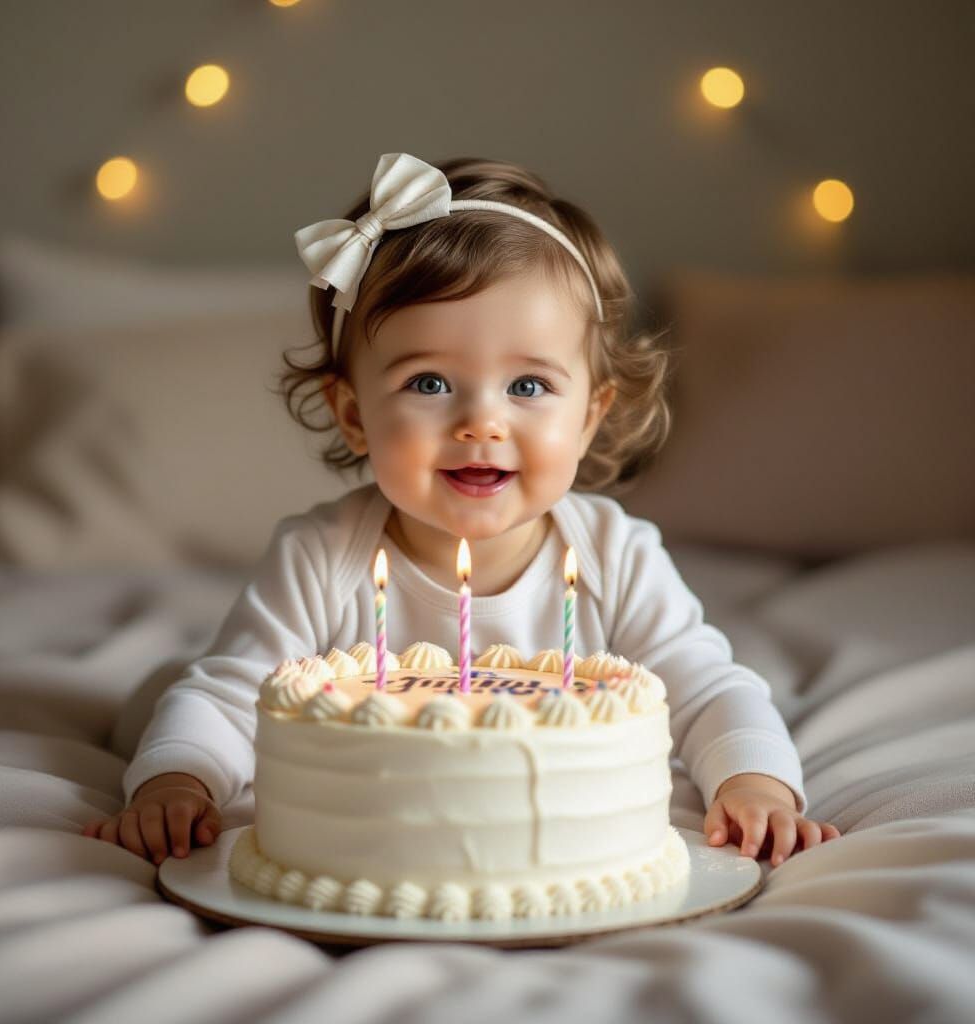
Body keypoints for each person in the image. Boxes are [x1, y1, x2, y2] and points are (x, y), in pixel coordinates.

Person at [84, 152, 840, 869]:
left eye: (530, 386)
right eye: (430, 384)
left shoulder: (614, 552)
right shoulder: (322, 556)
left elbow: (710, 690)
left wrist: (755, 783)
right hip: (379, 846)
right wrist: (175, 782)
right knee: (171, 706)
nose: (482, 421)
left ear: (590, 414)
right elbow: (231, 695)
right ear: (353, 415)